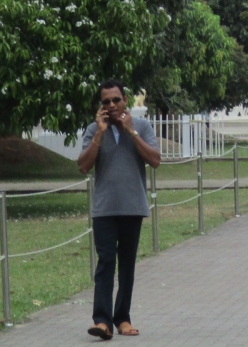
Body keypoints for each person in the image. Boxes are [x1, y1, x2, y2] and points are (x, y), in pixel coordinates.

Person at [78, 79, 161, 340]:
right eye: (106, 101)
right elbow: (83, 166)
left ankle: (122, 318)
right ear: (100, 106)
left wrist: (131, 132)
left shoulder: (142, 126)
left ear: (125, 100)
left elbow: (155, 160)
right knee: (105, 263)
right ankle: (102, 321)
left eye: (116, 100)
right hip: (104, 209)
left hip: (132, 206)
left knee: (127, 265)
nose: (112, 105)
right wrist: (99, 135)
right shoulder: (94, 129)